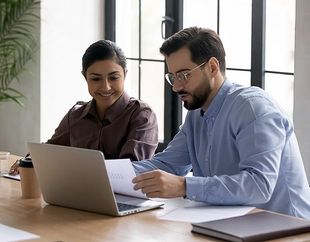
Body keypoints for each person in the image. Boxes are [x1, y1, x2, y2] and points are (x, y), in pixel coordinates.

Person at [132, 27, 310, 219]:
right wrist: (106, 174)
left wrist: (184, 186)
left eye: (184, 75)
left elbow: (259, 186)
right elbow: (168, 165)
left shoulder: (252, 108)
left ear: (212, 67)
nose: (176, 86)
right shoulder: (196, 114)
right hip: (232, 224)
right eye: (173, 77)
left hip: (287, 228)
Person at [10, 40, 158, 174]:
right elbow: (50, 150)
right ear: (85, 77)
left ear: (124, 74)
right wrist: (29, 160)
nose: (106, 87)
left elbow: (131, 170)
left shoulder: (142, 114)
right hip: (79, 194)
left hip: (125, 199)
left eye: (113, 77)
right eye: (96, 78)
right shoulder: (76, 115)